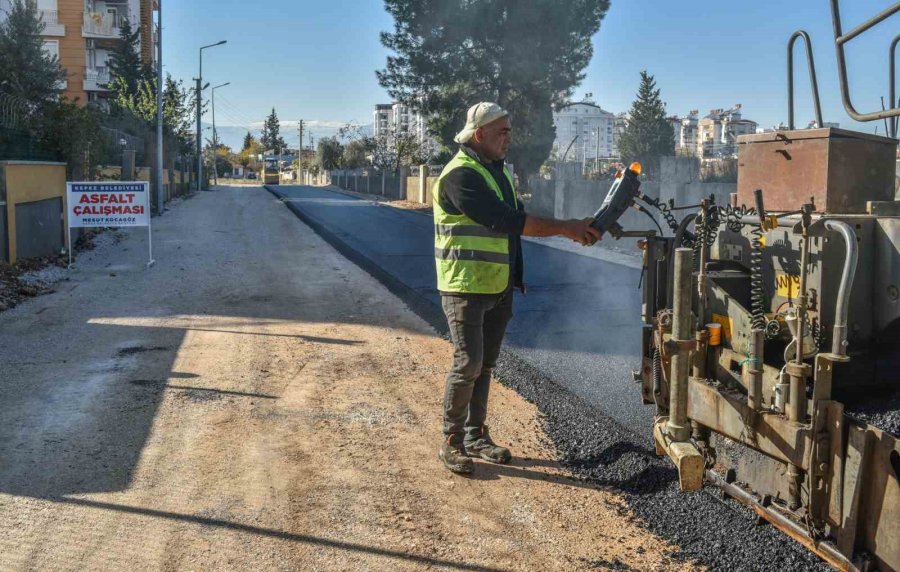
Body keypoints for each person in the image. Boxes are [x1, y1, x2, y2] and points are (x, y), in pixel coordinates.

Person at [434, 102, 602, 474]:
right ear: (479, 135)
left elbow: (512, 232)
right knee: (469, 363)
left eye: (510, 131)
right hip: (464, 286)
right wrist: (565, 227)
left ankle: (476, 435)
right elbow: (505, 221)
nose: (509, 138)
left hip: (498, 285)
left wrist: (517, 277)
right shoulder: (460, 176)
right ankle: (452, 440)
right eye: (502, 132)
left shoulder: (497, 174)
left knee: (486, 365)